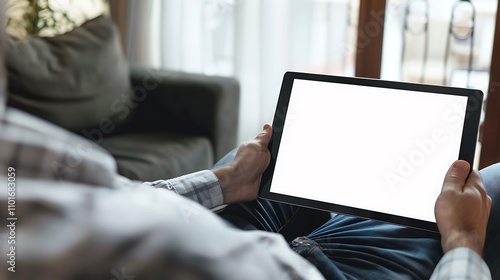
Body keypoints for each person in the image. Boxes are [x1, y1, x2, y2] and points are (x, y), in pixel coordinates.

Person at [0, 104, 498, 279]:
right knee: (473, 187)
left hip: (211, 226)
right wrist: (462, 244)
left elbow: (115, 194)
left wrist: (224, 182)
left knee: (284, 166)